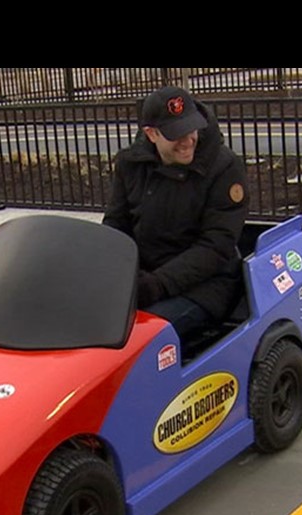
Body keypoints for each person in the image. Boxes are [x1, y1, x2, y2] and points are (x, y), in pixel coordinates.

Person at [102, 86, 248, 344]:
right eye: (176, 134)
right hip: (143, 277)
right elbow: (116, 224)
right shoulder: (130, 165)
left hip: (204, 285)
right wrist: (112, 269)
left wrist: (157, 285)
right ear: (151, 134)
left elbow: (216, 246)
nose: (188, 140)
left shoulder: (224, 167)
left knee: (136, 340)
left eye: (191, 129)